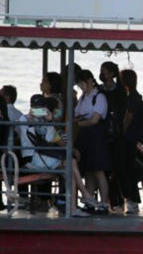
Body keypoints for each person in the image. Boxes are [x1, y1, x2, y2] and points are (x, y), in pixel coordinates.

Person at [19, 94, 98, 217]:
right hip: (32, 158)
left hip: (43, 157)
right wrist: (31, 120)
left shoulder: (45, 119)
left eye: (41, 108)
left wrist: (50, 121)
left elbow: (50, 138)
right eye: (35, 108)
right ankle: (84, 196)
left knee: (71, 167)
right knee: (71, 164)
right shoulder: (23, 119)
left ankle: (76, 205)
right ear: (31, 107)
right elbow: (26, 138)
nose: (38, 111)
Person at [74, 69, 111, 214]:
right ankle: (89, 202)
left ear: (89, 81)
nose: (81, 86)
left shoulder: (99, 97)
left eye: (82, 83)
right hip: (85, 137)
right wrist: (81, 121)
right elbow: (76, 115)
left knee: (98, 170)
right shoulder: (84, 97)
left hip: (97, 137)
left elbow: (95, 119)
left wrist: (81, 123)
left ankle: (104, 203)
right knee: (89, 170)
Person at [119, 69, 143, 215]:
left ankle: (132, 201)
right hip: (138, 142)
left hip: (131, 142)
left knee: (127, 170)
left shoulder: (132, 100)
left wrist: (119, 135)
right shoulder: (136, 99)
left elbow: (127, 122)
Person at [100, 61, 128, 211]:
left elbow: (123, 111)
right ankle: (104, 200)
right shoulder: (99, 90)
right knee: (103, 169)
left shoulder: (120, 91)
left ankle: (117, 200)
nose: (102, 74)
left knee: (117, 169)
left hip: (116, 135)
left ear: (111, 73)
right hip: (102, 134)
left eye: (104, 71)